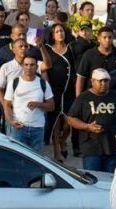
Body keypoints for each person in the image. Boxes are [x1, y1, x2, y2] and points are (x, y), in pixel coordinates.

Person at [66, 68, 116, 172]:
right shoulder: (83, 98)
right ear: (92, 81)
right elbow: (70, 118)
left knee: (110, 180)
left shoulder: (115, 96)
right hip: (91, 148)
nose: (103, 84)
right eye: (100, 81)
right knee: (93, 178)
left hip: (112, 147)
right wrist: (87, 127)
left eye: (106, 81)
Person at [2, 55, 54, 152]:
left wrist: (38, 104)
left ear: (36, 67)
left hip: (37, 129)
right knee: (17, 160)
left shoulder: (43, 83)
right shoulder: (14, 82)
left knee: (36, 161)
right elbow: (7, 104)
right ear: (22, 66)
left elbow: (52, 106)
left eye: (32, 65)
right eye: (26, 65)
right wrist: (11, 121)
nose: (29, 68)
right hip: (18, 128)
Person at [43, 23, 76, 161]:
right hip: (54, 88)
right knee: (55, 119)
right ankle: (57, 149)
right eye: (56, 31)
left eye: (61, 31)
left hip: (69, 89)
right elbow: (44, 67)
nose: (60, 33)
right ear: (52, 34)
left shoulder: (71, 48)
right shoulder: (47, 49)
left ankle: (63, 140)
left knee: (70, 119)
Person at [75, 27, 116, 97]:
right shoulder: (89, 54)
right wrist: (78, 98)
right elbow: (81, 78)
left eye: (110, 37)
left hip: (113, 97)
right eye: (104, 37)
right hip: (92, 97)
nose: (107, 40)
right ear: (99, 39)